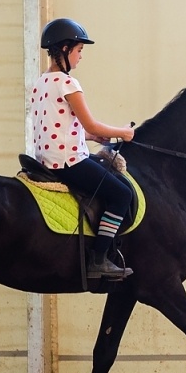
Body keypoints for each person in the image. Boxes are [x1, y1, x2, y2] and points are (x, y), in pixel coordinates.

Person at [32, 18, 138, 280]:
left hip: (48, 158)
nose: (81, 57)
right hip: (69, 161)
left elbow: (63, 126)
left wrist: (92, 138)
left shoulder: (39, 84)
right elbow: (90, 121)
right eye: (79, 51)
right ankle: (99, 258)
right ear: (65, 49)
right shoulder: (68, 83)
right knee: (122, 194)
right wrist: (122, 132)